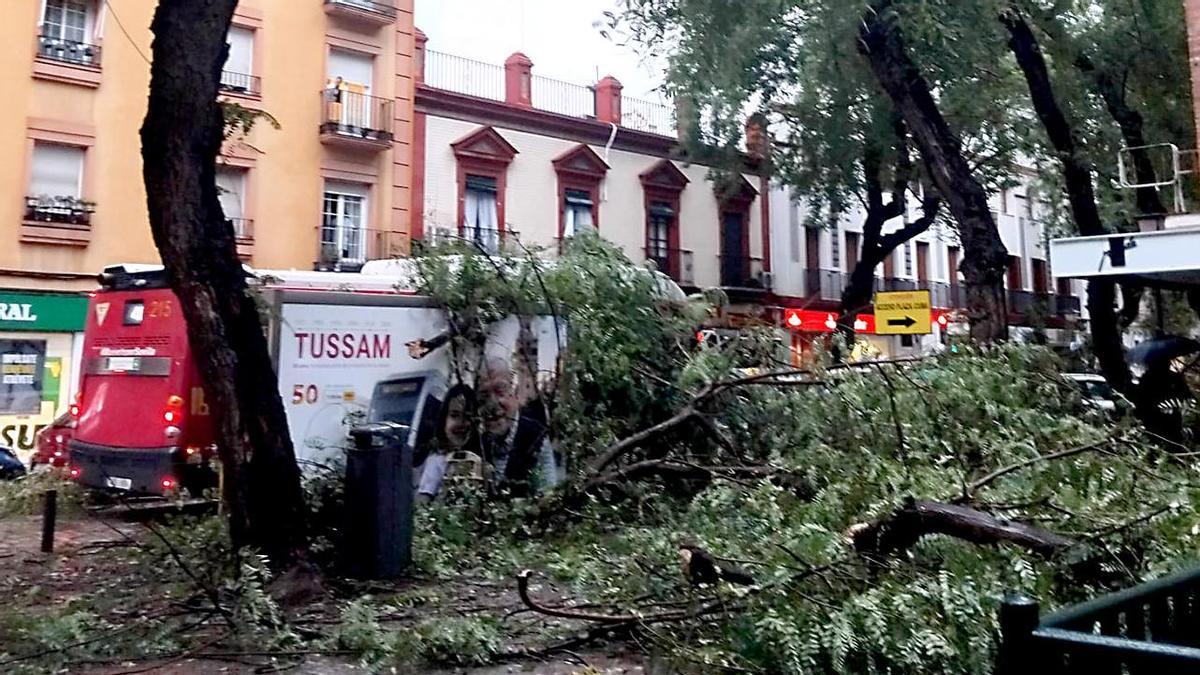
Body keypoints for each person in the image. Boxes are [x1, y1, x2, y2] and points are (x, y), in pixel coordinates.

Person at [476, 358, 563, 496]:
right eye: (484, 395)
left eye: (500, 391)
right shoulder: (476, 441)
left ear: (515, 393)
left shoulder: (535, 437)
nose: (492, 404)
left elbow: (548, 494)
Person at [415, 384, 483, 502]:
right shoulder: (438, 460)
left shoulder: (481, 457)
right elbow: (422, 501)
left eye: (467, 416)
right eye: (454, 415)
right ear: (444, 420)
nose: (461, 423)